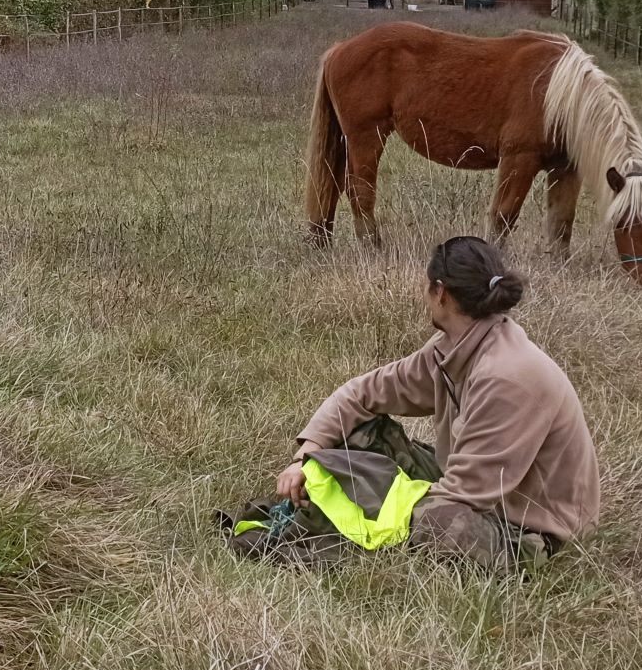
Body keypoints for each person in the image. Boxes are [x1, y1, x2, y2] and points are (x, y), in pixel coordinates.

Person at [234, 236, 598, 568]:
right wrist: (306, 456)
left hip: (529, 530)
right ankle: (315, 520)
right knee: (360, 431)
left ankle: (334, 547)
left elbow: (467, 493)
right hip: (471, 493)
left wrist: (377, 500)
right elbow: (361, 394)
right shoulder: (452, 350)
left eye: (427, 287)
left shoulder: (509, 375)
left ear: (440, 292)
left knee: (433, 523)